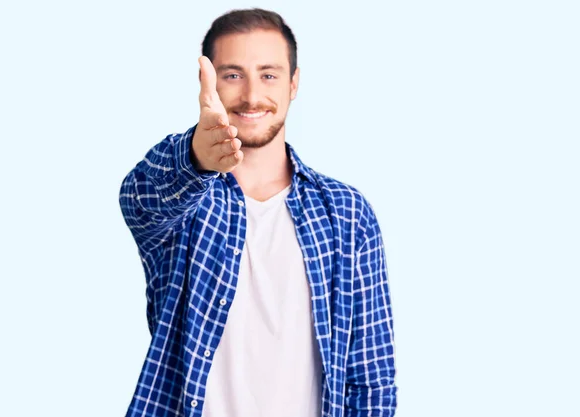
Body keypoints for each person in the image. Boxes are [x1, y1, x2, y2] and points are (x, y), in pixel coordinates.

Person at [119, 7, 397, 417]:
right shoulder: (187, 204)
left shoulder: (347, 213)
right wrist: (196, 155)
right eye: (233, 75)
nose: (251, 95)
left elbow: (370, 378)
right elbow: (141, 197)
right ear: (208, 81)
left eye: (268, 74)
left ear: (294, 83)